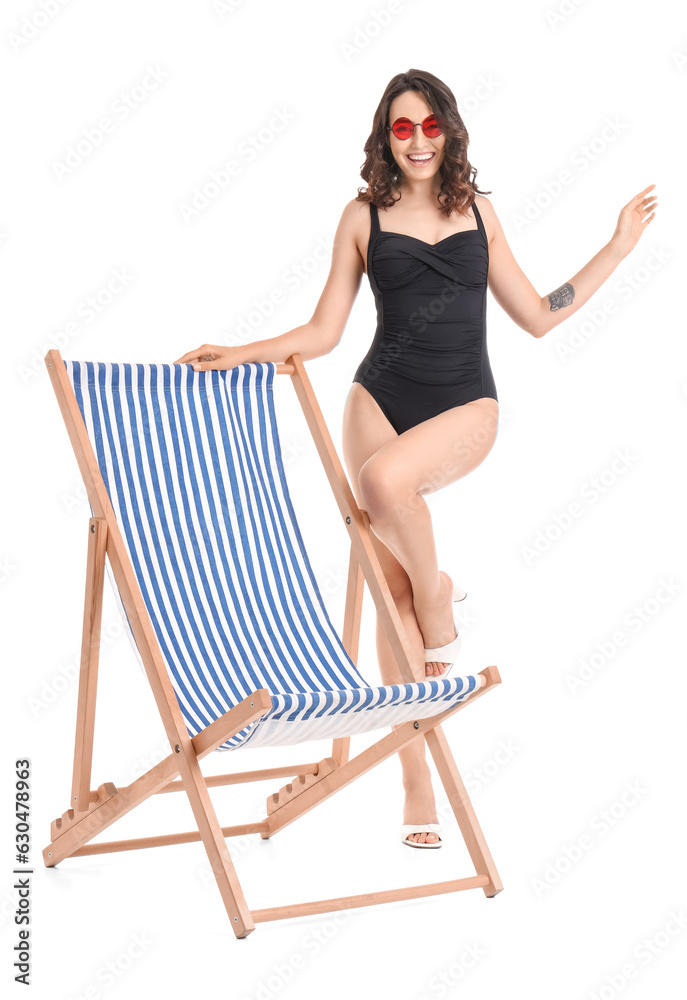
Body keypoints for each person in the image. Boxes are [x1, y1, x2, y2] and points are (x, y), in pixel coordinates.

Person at [174, 68, 657, 848]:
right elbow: (325, 330)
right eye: (403, 128)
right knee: (386, 589)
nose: (420, 140)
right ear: (384, 138)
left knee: (384, 487)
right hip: (376, 398)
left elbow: (536, 316)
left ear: (450, 130)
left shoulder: (477, 213)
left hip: (466, 403)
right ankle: (415, 778)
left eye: (430, 126)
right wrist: (241, 352)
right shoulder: (360, 217)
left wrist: (616, 247)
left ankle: (438, 599)